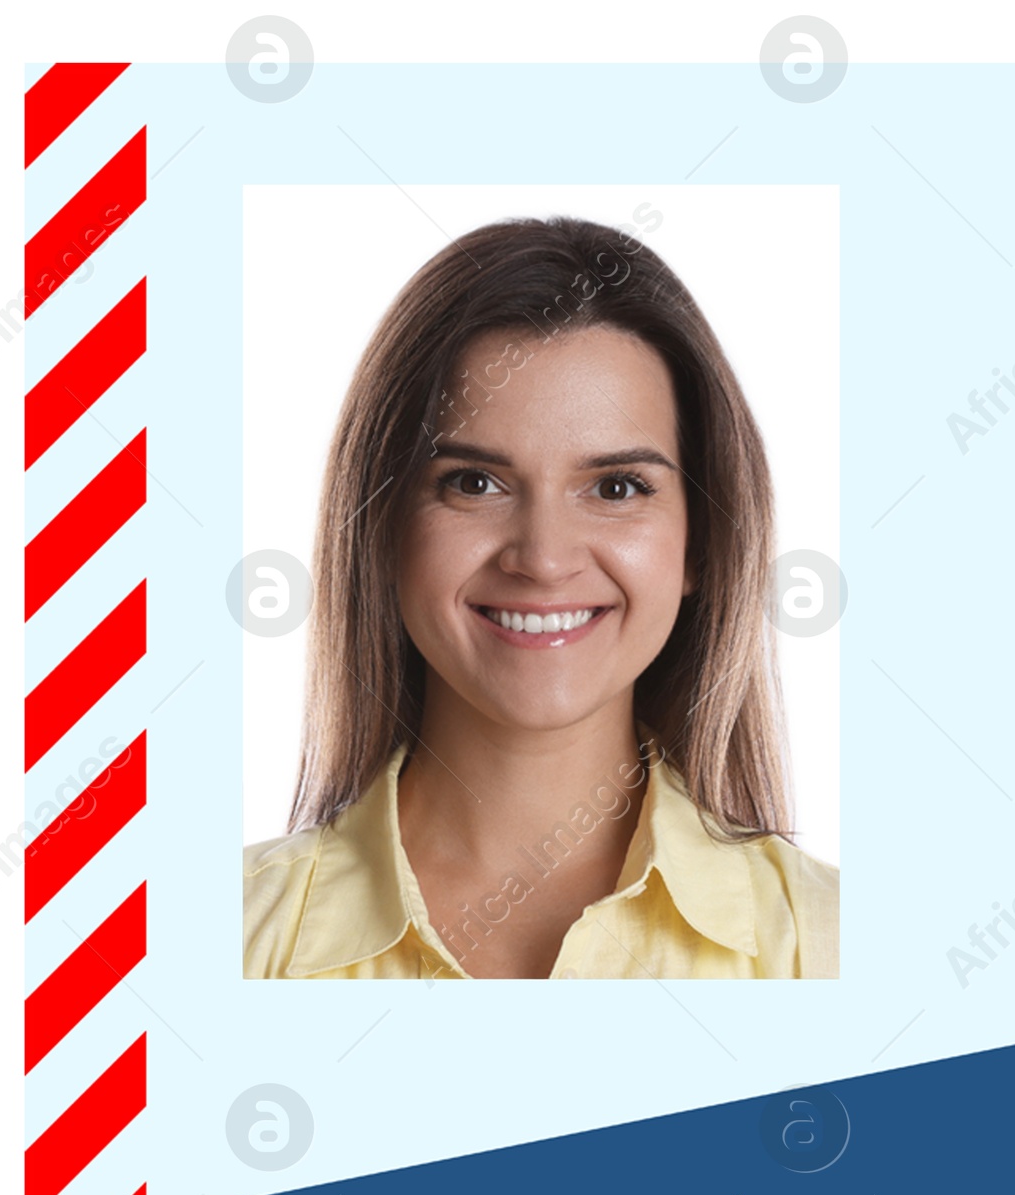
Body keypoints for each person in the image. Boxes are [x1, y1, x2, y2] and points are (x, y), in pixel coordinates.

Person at [243, 215, 837, 980]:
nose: (545, 559)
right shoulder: (209, 940)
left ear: (703, 544)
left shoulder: (839, 946)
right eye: (474, 483)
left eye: (617, 487)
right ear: (382, 530)